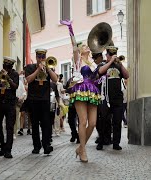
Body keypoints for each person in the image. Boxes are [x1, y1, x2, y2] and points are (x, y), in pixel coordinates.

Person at [61, 20, 101, 162]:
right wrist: (70, 27)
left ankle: (80, 147)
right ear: (80, 50)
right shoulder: (78, 60)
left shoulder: (92, 63)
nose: (86, 46)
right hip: (80, 90)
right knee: (82, 122)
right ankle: (83, 150)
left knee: (93, 123)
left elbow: (96, 76)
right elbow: (74, 44)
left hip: (92, 92)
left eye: (86, 45)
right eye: (83, 45)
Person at [25, 48, 58, 155]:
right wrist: (38, 70)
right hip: (33, 100)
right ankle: (36, 146)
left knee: (46, 124)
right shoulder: (30, 67)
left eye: (43, 57)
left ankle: (46, 145)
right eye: (39, 57)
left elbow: (55, 79)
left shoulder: (49, 67)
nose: (41, 59)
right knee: (35, 125)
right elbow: (28, 80)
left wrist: (48, 69)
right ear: (36, 57)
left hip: (45, 100)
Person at [97, 46, 129, 151]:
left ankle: (116, 143)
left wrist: (120, 63)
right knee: (103, 121)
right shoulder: (103, 64)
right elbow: (100, 71)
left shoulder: (119, 65)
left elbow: (126, 75)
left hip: (117, 98)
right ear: (107, 55)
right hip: (105, 98)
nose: (112, 56)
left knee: (117, 121)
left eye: (113, 55)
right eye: (110, 55)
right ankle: (101, 142)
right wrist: (110, 62)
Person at [0, 57, 19, 158]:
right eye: (4, 66)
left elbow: (15, 86)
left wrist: (7, 77)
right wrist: (0, 78)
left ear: (11, 67)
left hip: (10, 103)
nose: (6, 68)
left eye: (8, 67)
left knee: (9, 127)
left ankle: (8, 150)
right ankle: (2, 145)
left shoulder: (15, 74)